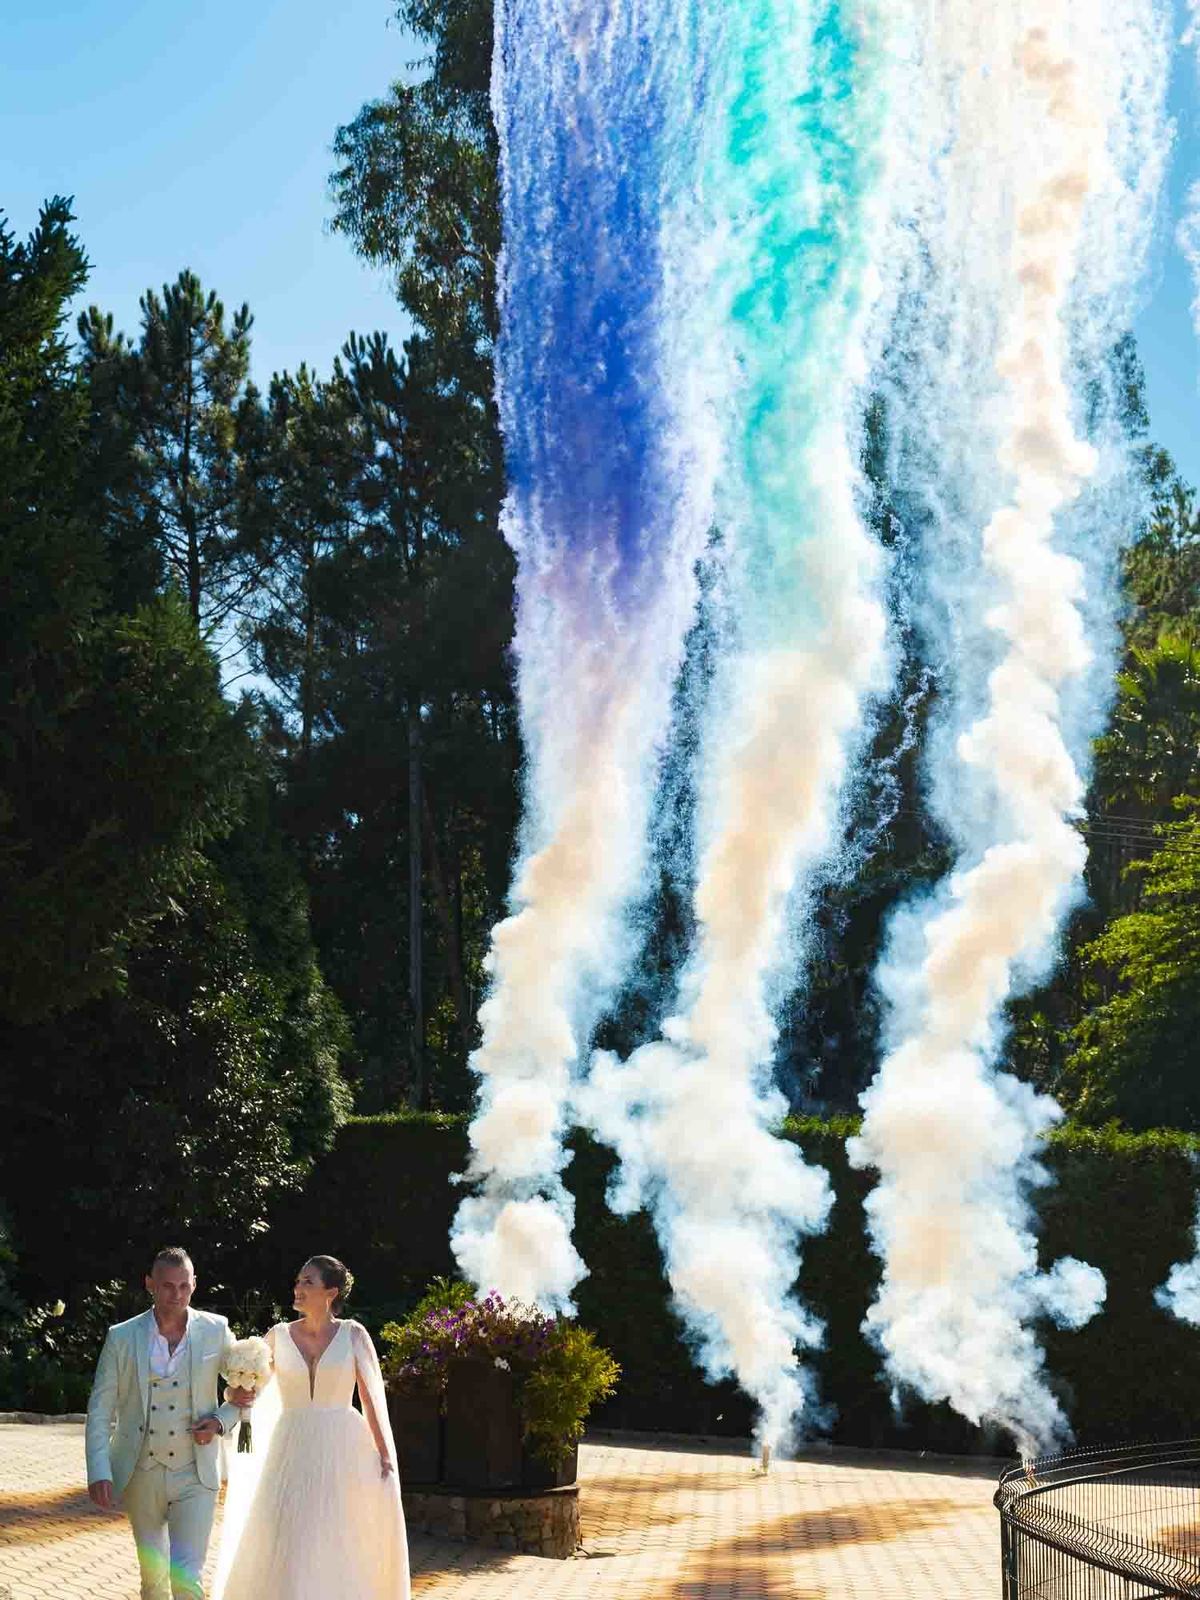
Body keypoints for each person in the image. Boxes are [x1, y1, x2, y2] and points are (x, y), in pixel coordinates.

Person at [216, 1255, 410, 1600]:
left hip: (343, 1447)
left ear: (330, 1292)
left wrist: (385, 1457)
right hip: (290, 1446)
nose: (298, 1288)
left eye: (308, 1282)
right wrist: (234, 1388)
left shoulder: (353, 1335)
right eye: (298, 1281)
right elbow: (250, 1391)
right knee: (287, 1534)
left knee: (337, 1535)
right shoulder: (276, 1336)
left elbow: (370, 1401)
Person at [85, 1246, 254, 1600]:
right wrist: (99, 1469)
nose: (176, 1295)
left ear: (194, 1284)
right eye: (167, 1286)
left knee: (187, 1580)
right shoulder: (122, 1337)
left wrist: (221, 1422)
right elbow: (100, 1409)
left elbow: (245, 1391)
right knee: (154, 1579)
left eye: (184, 1286)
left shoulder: (215, 1330)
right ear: (149, 1284)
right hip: (140, 1471)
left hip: (196, 1472)